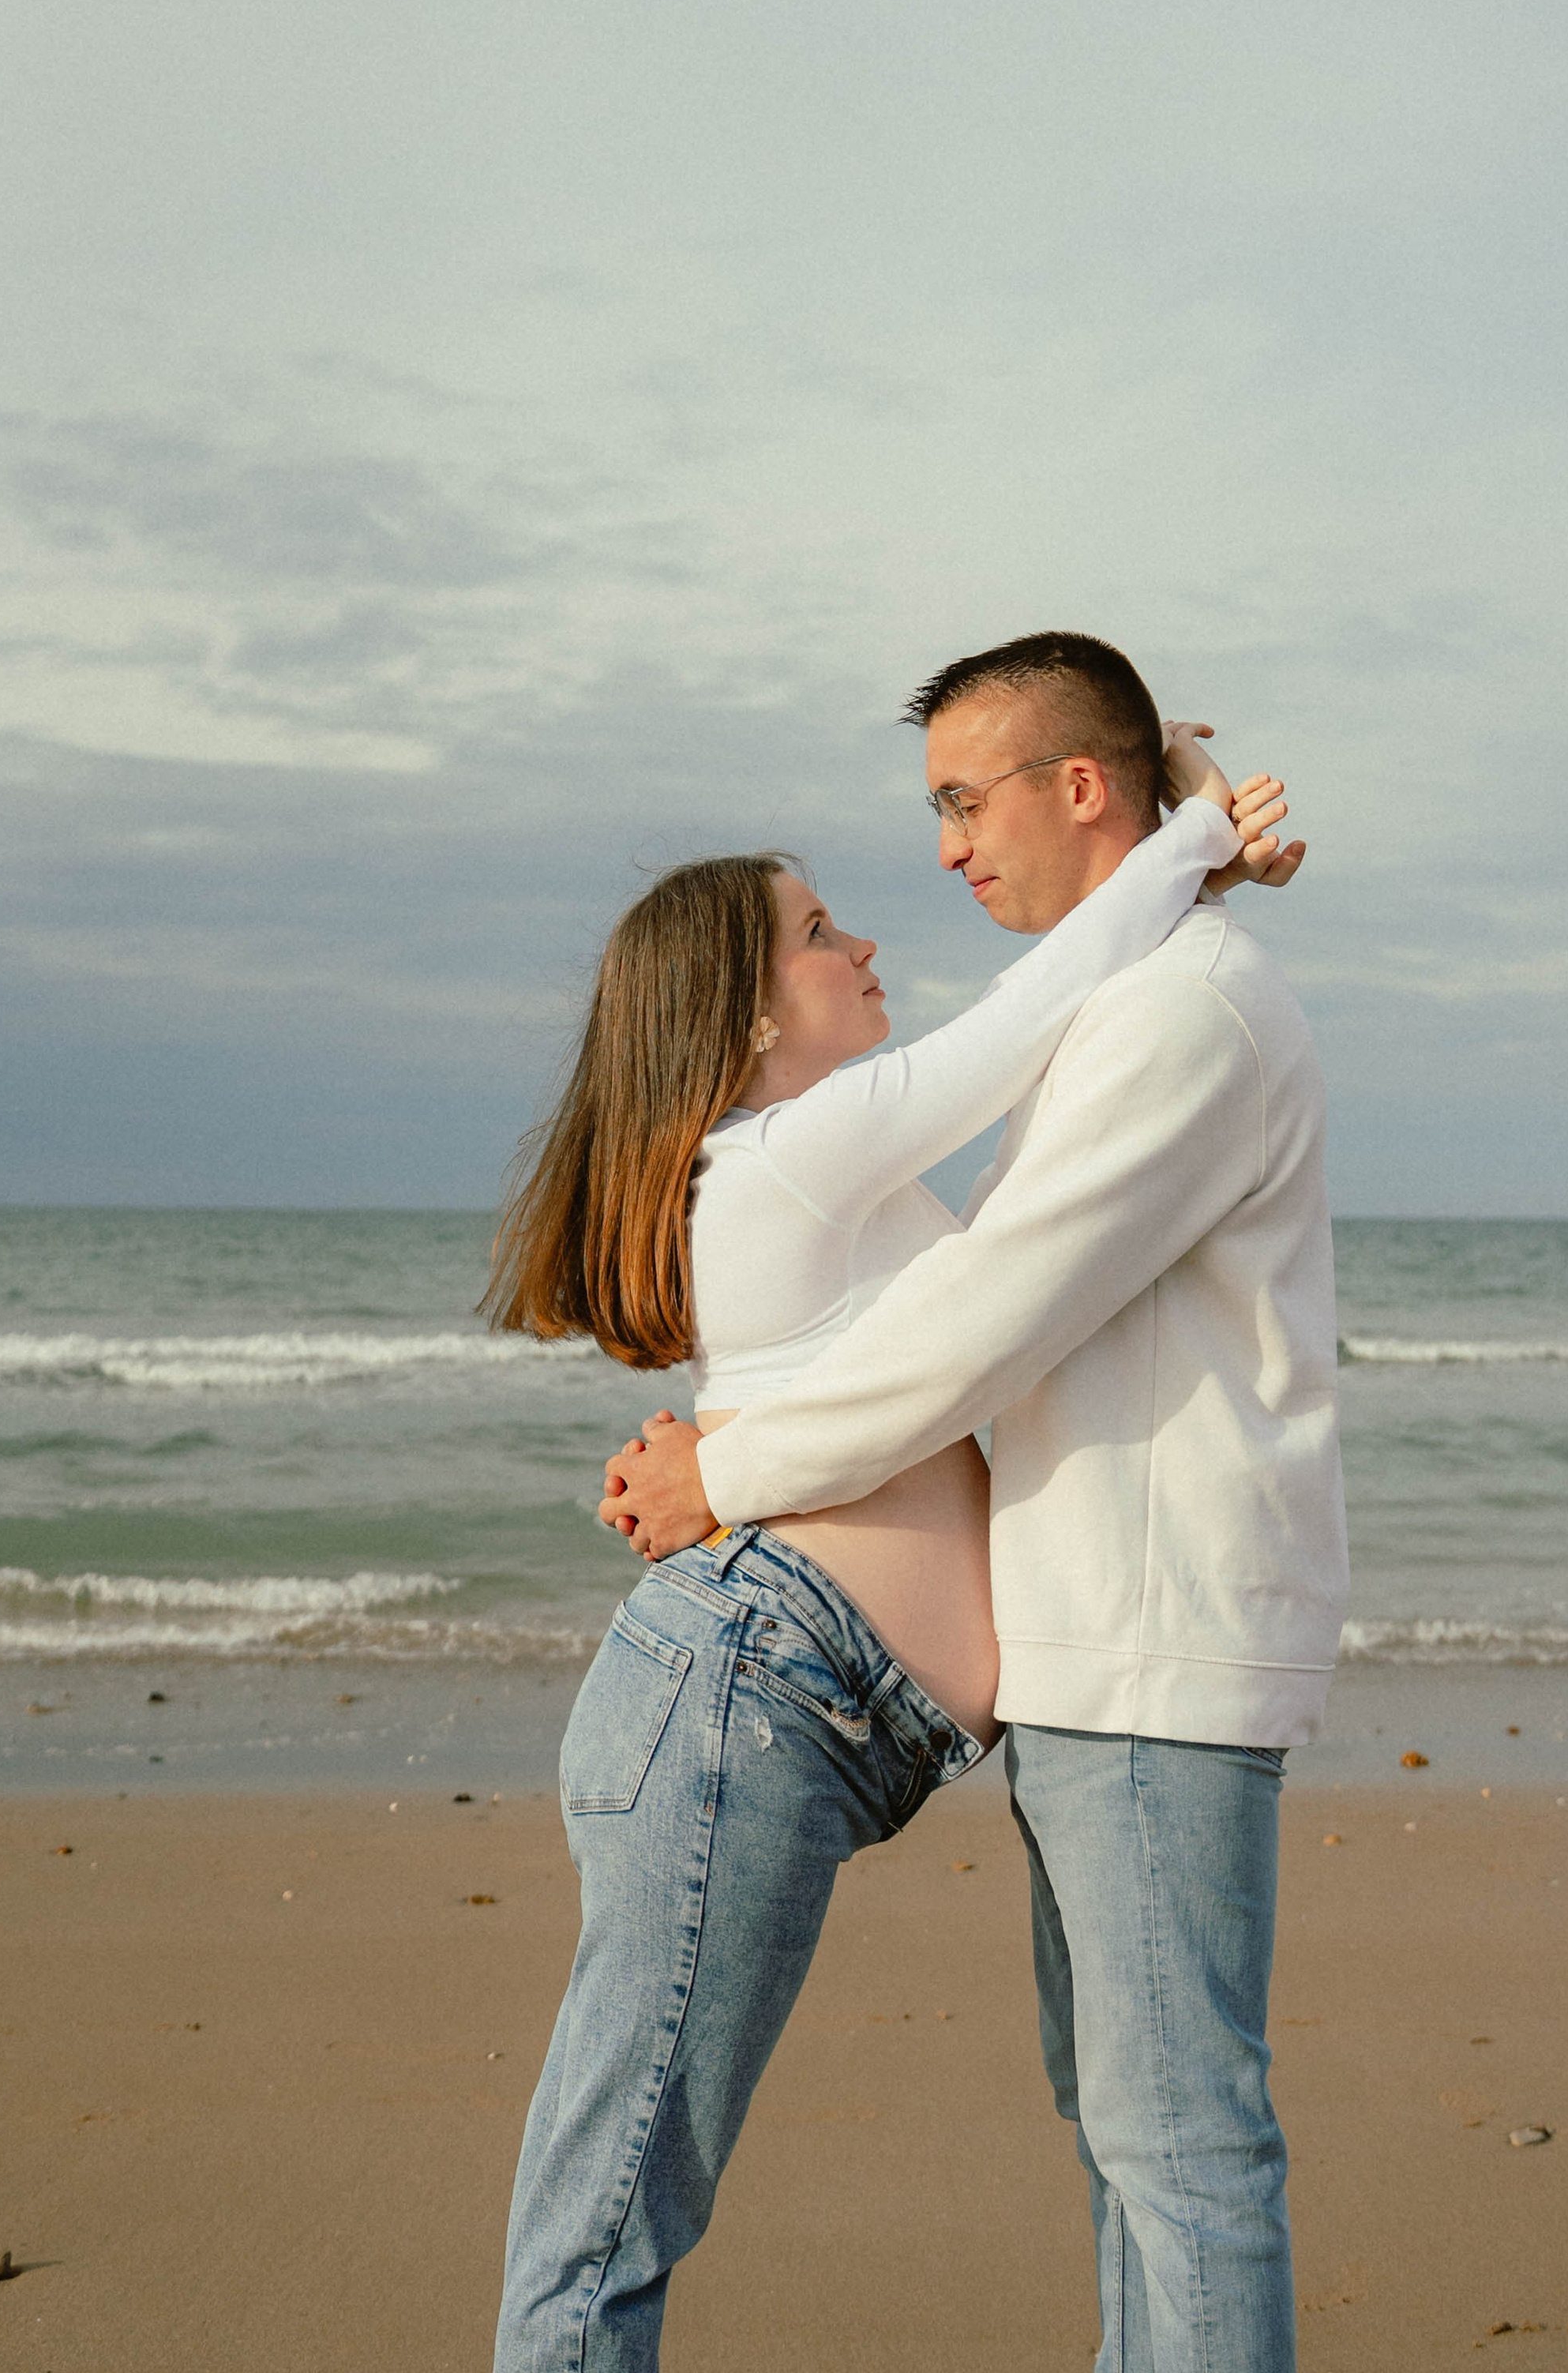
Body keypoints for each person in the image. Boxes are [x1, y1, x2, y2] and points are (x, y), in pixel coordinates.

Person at [489, 697, 1300, 2373]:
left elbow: (1015, 1255)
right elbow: (1030, 1018)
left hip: (789, 1705)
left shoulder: (814, 1177)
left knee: (624, 2197)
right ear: (737, 1018)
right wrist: (1194, 831)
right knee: (615, 2208)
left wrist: (1174, 828)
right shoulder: (788, 1152)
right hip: (747, 1698)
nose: (863, 939)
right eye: (812, 931)